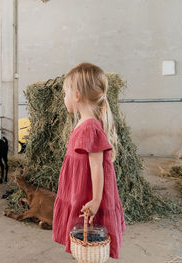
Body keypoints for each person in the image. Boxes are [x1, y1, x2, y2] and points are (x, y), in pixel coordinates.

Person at [52, 62, 126, 259]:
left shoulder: (90, 127)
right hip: (77, 189)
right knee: (81, 239)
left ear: (77, 95)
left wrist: (96, 200)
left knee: (88, 238)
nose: (64, 98)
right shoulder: (82, 125)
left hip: (86, 193)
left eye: (65, 93)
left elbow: (97, 166)